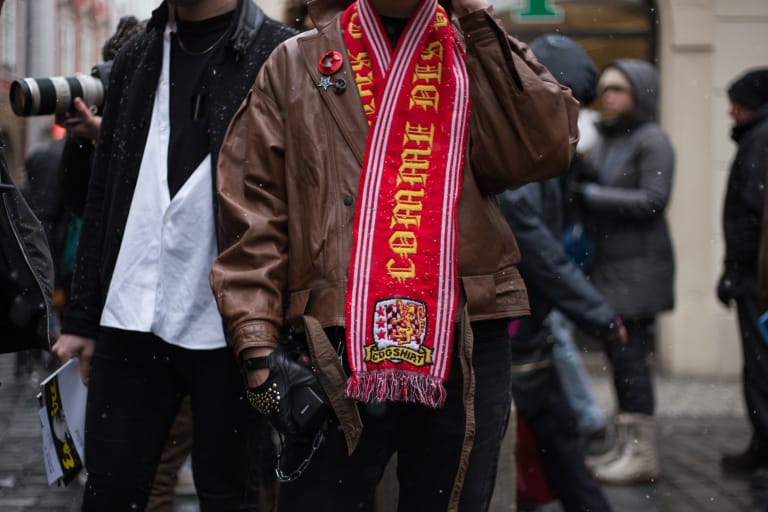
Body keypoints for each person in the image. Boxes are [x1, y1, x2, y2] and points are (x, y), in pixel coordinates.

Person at [210, 0, 579, 510]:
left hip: (464, 332)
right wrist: (257, 351)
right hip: (330, 339)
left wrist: (479, 20)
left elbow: (543, 150)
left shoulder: (473, 49)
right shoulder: (296, 62)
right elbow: (253, 214)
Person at [51, 1, 296, 510]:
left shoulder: (278, 53)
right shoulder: (137, 57)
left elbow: (301, 198)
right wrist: (83, 317)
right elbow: (103, 192)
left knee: (231, 494)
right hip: (131, 314)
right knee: (111, 491)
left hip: (232, 323)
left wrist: (288, 327)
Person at [498, 33, 623, 512]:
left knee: (551, 437)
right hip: (512, 322)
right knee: (552, 436)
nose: (577, 117)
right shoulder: (524, 150)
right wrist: (598, 314)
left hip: (522, 321)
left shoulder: (538, 143)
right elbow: (536, 245)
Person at [573, 59, 676, 485]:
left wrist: (590, 194)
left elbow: (653, 199)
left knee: (631, 359)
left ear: (641, 92)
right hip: (612, 267)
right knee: (619, 358)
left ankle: (642, 454)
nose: (608, 96)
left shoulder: (653, 140)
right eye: (605, 89)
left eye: (619, 88)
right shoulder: (610, 137)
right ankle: (625, 445)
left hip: (639, 270)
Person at [528, 33, 610, 448]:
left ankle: (581, 427)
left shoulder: (546, 138)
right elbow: (531, 236)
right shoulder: (530, 142)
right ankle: (584, 424)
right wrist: (596, 312)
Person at [716, 67, 768, 484]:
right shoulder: (757, 138)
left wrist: (734, 271)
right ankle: (761, 446)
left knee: (761, 366)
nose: (731, 110)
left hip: (757, 279)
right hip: (755, 274)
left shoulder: (760, 140)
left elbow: (750, 215)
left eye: (736, 102)